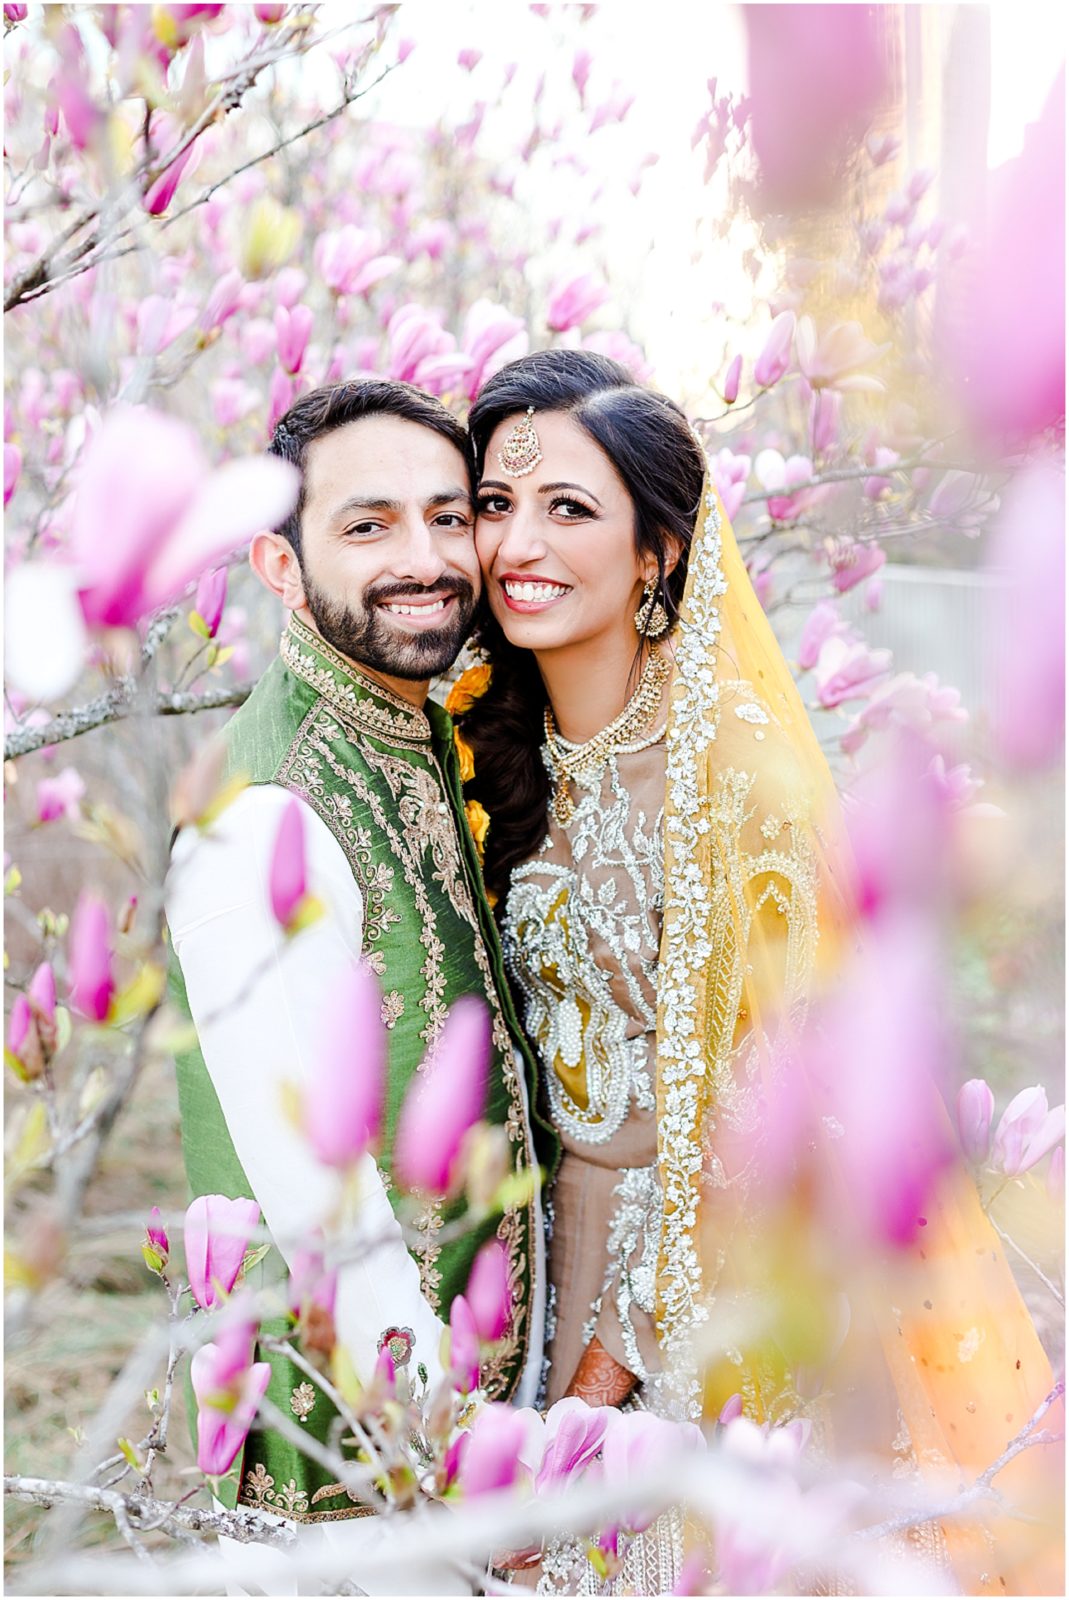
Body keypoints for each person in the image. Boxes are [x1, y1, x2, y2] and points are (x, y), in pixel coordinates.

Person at [457, 349, 1063, 1593]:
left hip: (700, 1288)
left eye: (567, 506)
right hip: (536, 1258)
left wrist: (590, 1393)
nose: (517, 538)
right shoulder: (486, 738)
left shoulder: (743, 785)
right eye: (494, 503)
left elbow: (767, 1110)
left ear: (656, 553)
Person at [166, 378, 555, 1589]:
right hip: (364, 1473)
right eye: (368, 525)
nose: (430, 558)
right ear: (279, 567)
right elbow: (321, 1212)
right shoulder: (263, 812)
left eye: (450, 517)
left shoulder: (407, 726)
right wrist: (458, 1455)